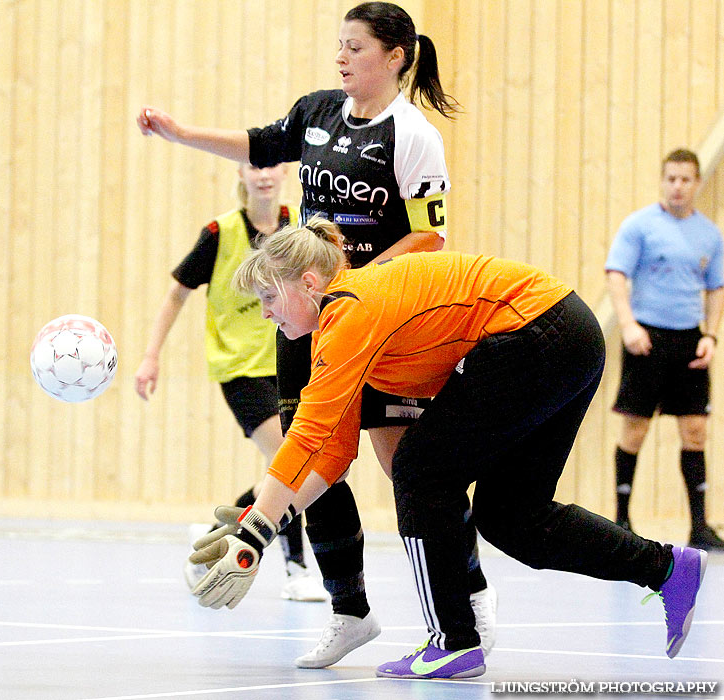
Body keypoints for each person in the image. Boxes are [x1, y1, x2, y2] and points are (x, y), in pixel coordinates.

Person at [188, 216, 708, 680]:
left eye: (270, 298)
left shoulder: (347, 313)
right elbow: (331, 451)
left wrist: (254, 534)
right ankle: (666, 568)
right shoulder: (348, 323)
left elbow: (304, 435)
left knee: (419, 469)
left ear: (308, 283)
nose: (264, 314)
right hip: (566, 336)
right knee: (512, 518)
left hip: (535, 331)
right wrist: (265, 523)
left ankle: (454, 641)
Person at [136, 1, 497, 666]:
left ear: (394, 56)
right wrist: (180, 133)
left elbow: (430, 235)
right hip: (304, 319)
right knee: (314, 461)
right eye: (339, 46)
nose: (341, 58)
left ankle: (468, 588)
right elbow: (259, 144)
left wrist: (352, 283)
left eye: (355, 48)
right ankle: (349, 611)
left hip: (376, 323)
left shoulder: (412, 135)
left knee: (401, 466)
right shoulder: (316, 112)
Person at [134, 162, 327, 603]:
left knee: (284, 469)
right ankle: (296, 569)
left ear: (285, 173)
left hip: (289, 364)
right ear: (240, 173)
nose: (263, 174)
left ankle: (220, 531)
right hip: (239, 369)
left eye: (272, 165)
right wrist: (151, 356)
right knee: (290, 459)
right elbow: (176, 294)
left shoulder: (297, 226)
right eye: (254, 165)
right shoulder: (219, 233)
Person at [606, 148, 724, 551]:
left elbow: (716, 288)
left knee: (695, 431)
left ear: (696, 183)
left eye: (686, 179)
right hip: (646, 339)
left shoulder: (709, 234)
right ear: (662, 180)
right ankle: (622, 520)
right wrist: (628, 325)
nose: (678, 186)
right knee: (635, 430)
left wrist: (710, 336)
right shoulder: (639, 226)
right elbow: (617, 274)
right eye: (671, 178)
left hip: (689, 340)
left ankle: (700, 526)